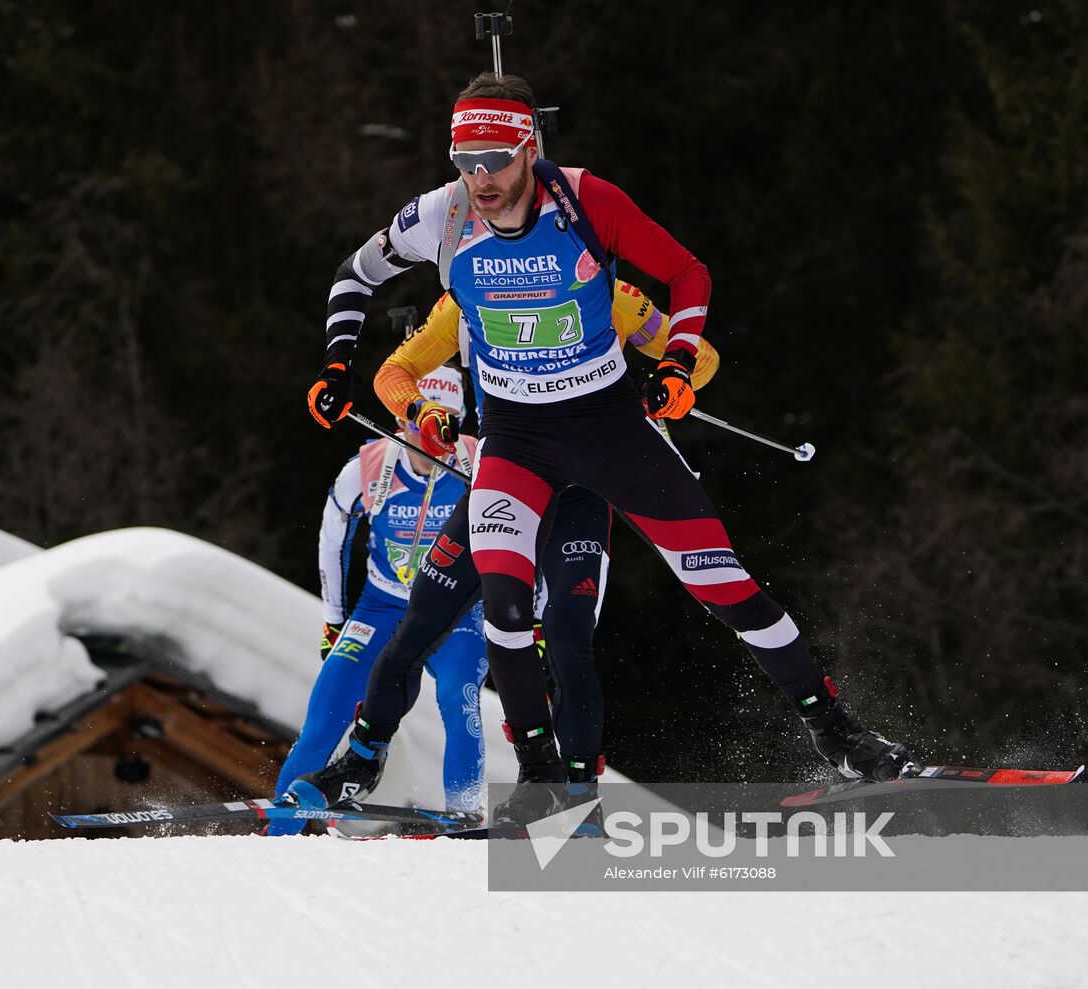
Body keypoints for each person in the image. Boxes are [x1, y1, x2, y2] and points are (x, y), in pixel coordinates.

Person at [304, 71, 913, 825]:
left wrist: (680, 361)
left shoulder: (588, 202)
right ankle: (536, 779)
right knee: (499, 598)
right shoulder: (443, 216)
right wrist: (336, 363)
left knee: (724, 585)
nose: (479, 177)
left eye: (495, 157)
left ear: (529, 148)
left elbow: (690, 272)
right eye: (464, 158)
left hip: (607, 429)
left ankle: (841, 733)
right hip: (516, 439)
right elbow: (354, 276)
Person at [291, 281, 720, 821]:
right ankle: (360, 761)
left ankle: (576, 798)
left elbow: (700, 358)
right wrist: (418, 407)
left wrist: (671, 372)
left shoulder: (596, 288)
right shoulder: (471, 290)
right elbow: (391, 374)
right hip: (506, 477)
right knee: (418, 622)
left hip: (579, 494)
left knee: (565, 642)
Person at [271, 366, 485, 833]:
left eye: (446, 424)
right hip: (382, 606)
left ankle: (467, 819)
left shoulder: (478, 463)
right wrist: (333, 618)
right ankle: (278, 833)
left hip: (455, 610)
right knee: (326, 712)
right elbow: (332, 539)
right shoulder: (368, 467)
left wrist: (527, 618)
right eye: (422, 422)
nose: (433, 439)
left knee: (458, 698)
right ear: (402, 419)